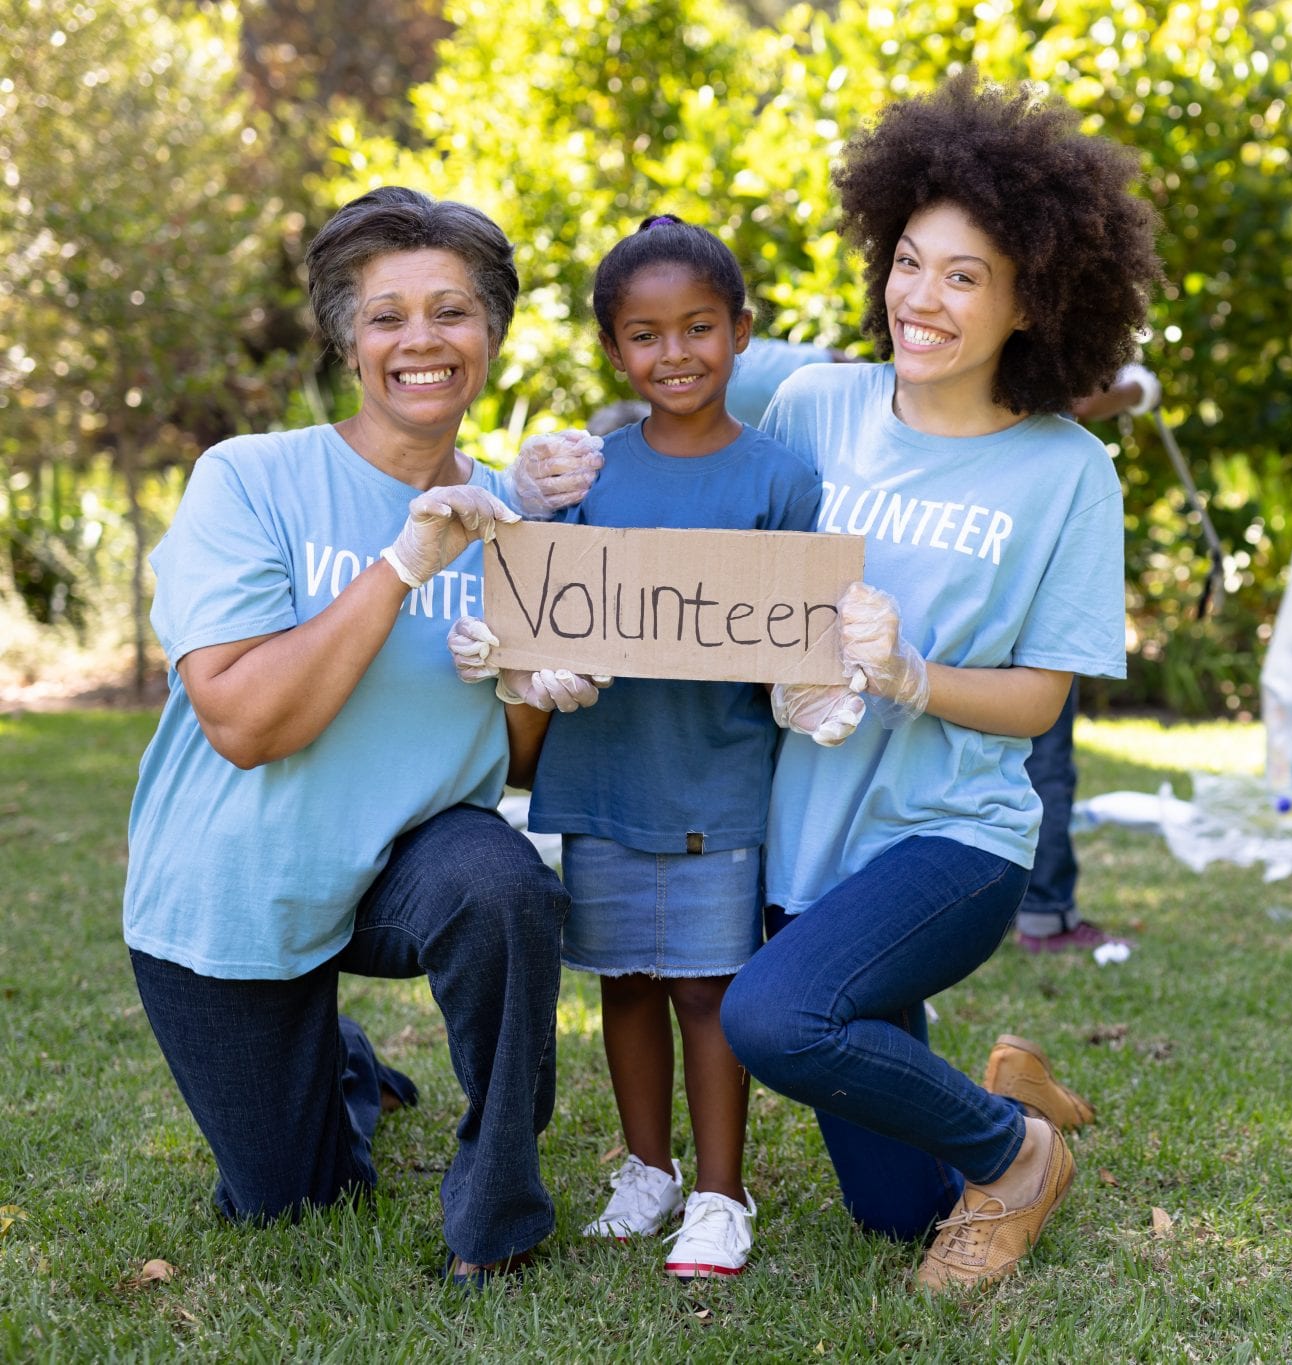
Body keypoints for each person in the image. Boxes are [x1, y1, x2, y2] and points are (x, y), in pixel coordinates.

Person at [712, 72, 1158, 1291]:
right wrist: (546, 481)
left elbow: (1037, 703)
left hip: (950, 839)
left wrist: (913, 675)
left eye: (965, 277)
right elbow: (675, 414)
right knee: (895, 1214)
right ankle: (1002, 1086)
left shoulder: (1066, 473)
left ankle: (1014, 1155)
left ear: (1031, 305)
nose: (922, 297)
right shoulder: (815, 404)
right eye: (910, 262)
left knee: (773, 1018)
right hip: (805, 831)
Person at [121, 186, 576, 1288]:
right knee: (289, 1203)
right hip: (239, 884)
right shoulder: (249, 479)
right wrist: (401, 567)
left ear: (492, 333)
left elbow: (515, 760)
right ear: (344, 337)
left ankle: (497, 1216)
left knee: (505, 885)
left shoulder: (520, 515)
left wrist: (534, 682)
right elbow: (243, 726)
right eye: (386, 316)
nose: (422, 340)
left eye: (452, 310)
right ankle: (348, 1071)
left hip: (413, 861)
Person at [450, 215, 821, 1281]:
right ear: (614, 349)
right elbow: (534, 613)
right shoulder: (582, 475)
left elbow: (796, 628)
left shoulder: (779, 480)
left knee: (708, 985)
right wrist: (524, 661)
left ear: (741, 331)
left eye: (698, 327)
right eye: (646, 335)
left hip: (718, 772)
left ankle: (719, 1191)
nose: (675, 355)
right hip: (605, 769)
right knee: (624, 980)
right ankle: (645, 1168)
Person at [1015, 360, 1162, 953]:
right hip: (1035, 556)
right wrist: (1132, 388)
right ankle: (1045, 911)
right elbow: (1079, 393)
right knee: (1045, 751)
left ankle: (1003, 903)